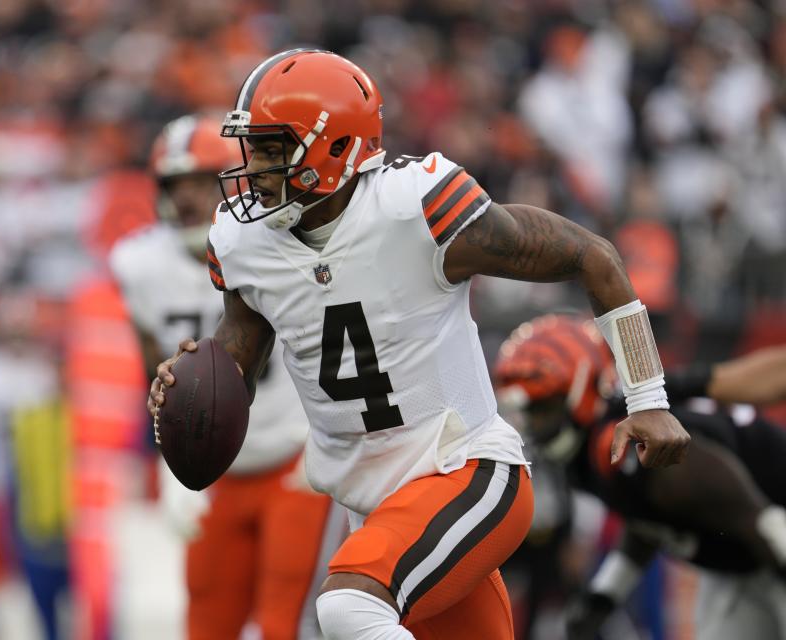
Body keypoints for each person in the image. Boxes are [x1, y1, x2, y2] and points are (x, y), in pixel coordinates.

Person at [149, 49, 689, 640]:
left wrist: (648, 397)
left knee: (348, 607)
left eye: (274, 150)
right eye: (251, 149)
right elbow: (239, 361)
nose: (253, 170)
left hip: (466, 472)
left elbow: (594, 256)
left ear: (335, 149)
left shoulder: (417, 207)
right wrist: (192, 380)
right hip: (375, 508)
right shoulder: (243, 241)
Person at [110, 114, 346, 640]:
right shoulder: (138, 263)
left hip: (294, 456)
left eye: (201, 180)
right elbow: (157, 373)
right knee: (205, 623)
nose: (190, 198)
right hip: (215, 470)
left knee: (287, 625)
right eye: (177, 184)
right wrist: (171, 463)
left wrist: (327, 439)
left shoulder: (279, 242)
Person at [493, 316, 786, 639]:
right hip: (742, 562)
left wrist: (772, 530)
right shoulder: (588, 454)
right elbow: (649, 517)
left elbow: (721, 488)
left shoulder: (624, 442)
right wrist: (605, 595)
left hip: (770, 542)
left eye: (543, 408)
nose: (535, 423)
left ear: (580, 390)